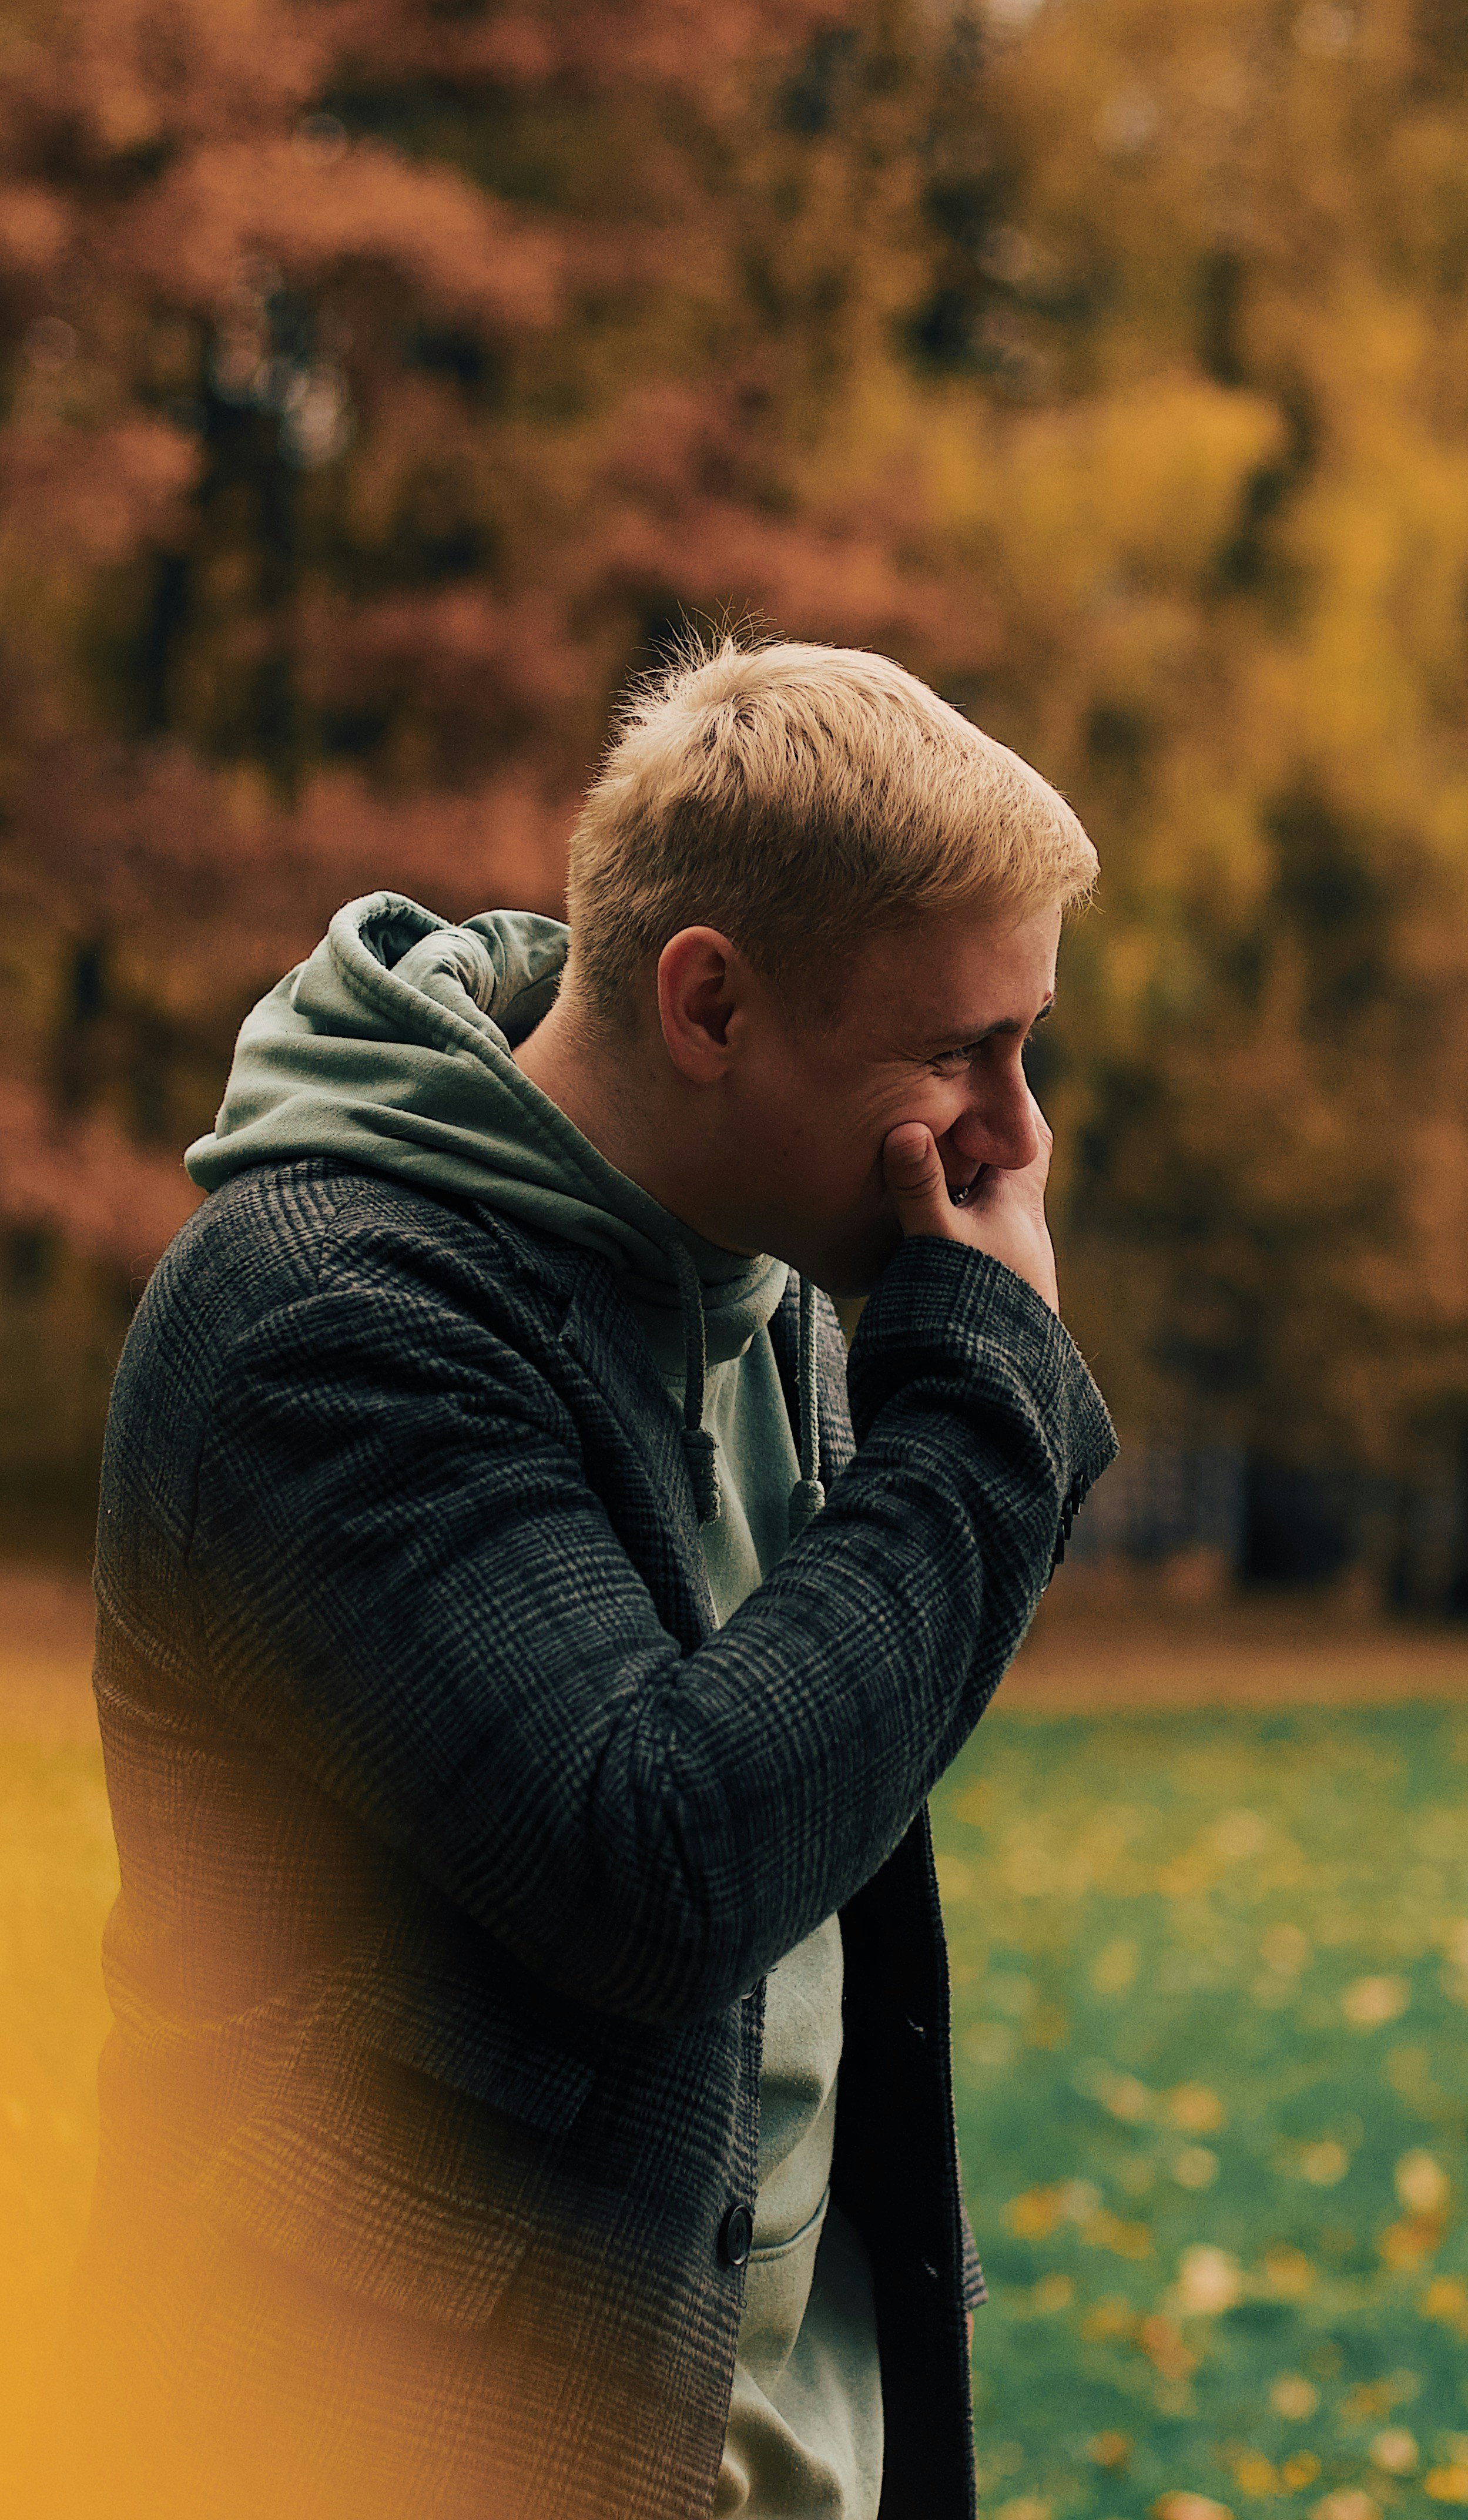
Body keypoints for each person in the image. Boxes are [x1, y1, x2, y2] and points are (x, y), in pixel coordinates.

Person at [42, 639, 1115, 2519]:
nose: (1016, 1139)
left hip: (783, 2433)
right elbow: (661, 1865)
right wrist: (987, 1405)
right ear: (710, 1006)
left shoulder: (769, 1268)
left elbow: (840, 1769)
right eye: (960, 1054)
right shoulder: (331, 1317)